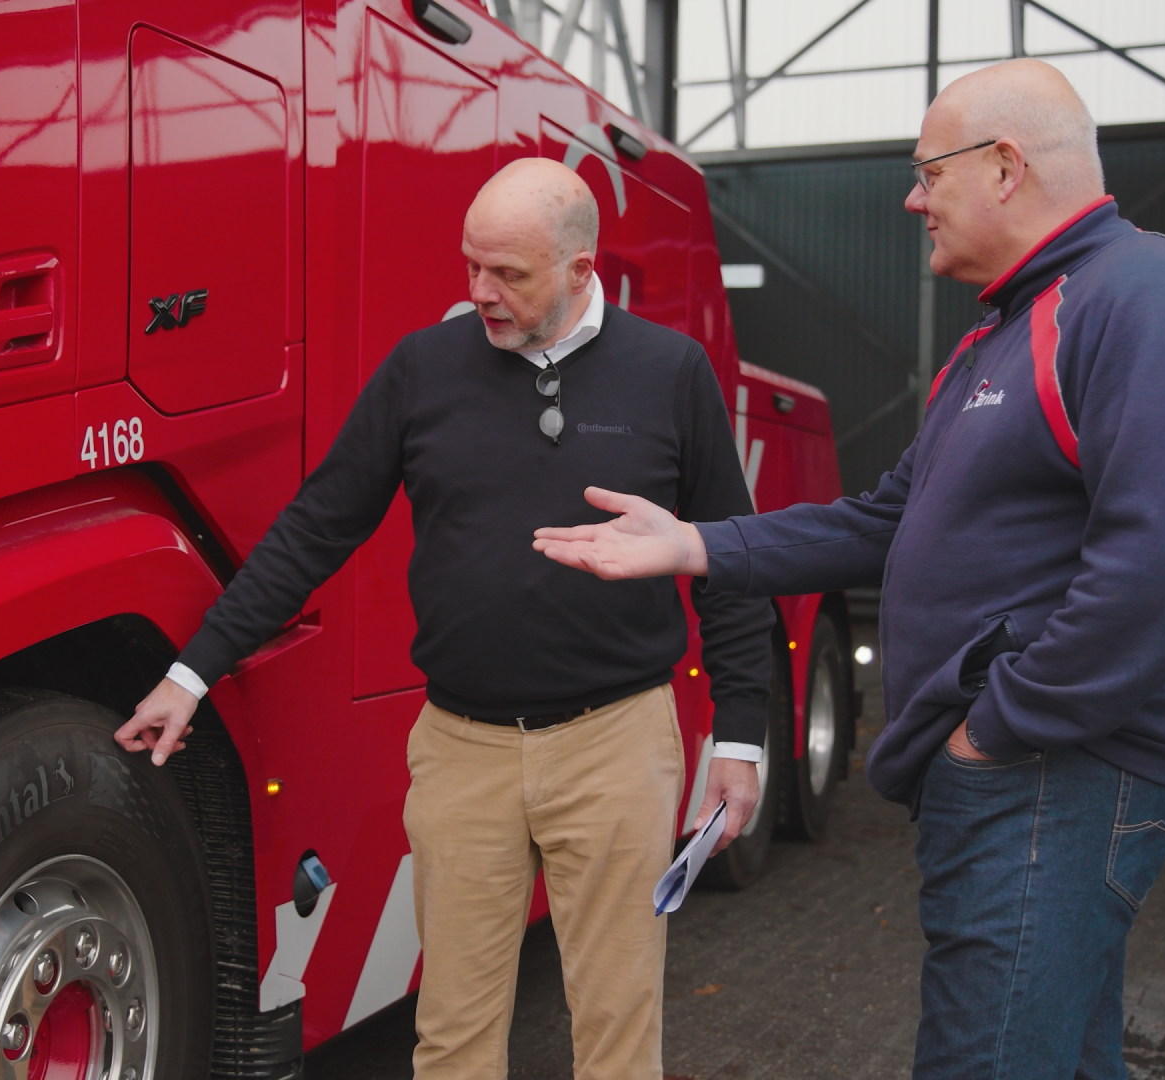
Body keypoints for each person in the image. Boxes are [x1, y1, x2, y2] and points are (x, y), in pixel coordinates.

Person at [532, 60, 1165, 1080]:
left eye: (929, 170)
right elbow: (886, 518)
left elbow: (1162, 575)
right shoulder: (998, 336)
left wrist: (993, 732)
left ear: (1005, 167)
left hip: (1056, 776)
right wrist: (695, 544)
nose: (913, 197)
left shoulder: (1147, 297)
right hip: (1025, 779)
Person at [114, 157, 776, 1080]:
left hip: (617, 744)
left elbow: (732, 563)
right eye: (472, 266)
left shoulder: (669, 372)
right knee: (453, 1038)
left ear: (582, 269)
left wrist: (740, 738)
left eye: (510, 273)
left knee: (618, 1034)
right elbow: (316, 527)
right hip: (462, 751)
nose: (480, 293)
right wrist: (193, 672)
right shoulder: (423, 369)